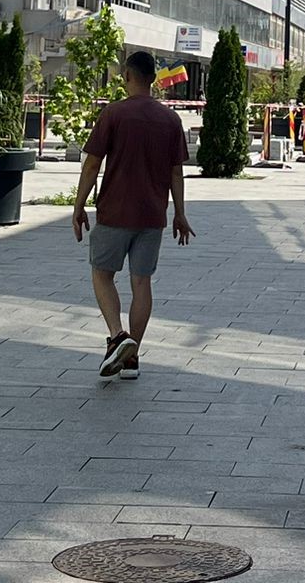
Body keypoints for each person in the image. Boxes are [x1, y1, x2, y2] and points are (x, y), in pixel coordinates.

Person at [72, 50, 194, 380]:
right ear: (153, 79)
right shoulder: (171, 120)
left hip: (114, 211)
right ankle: (132, 357)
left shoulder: (114, 114)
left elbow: (92, 164)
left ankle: (117, 337)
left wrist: (79, 205)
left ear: (127, 75)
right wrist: (180, 213)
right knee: (141, 282)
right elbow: (176, 173)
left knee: (102, 274)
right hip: (152, 215)